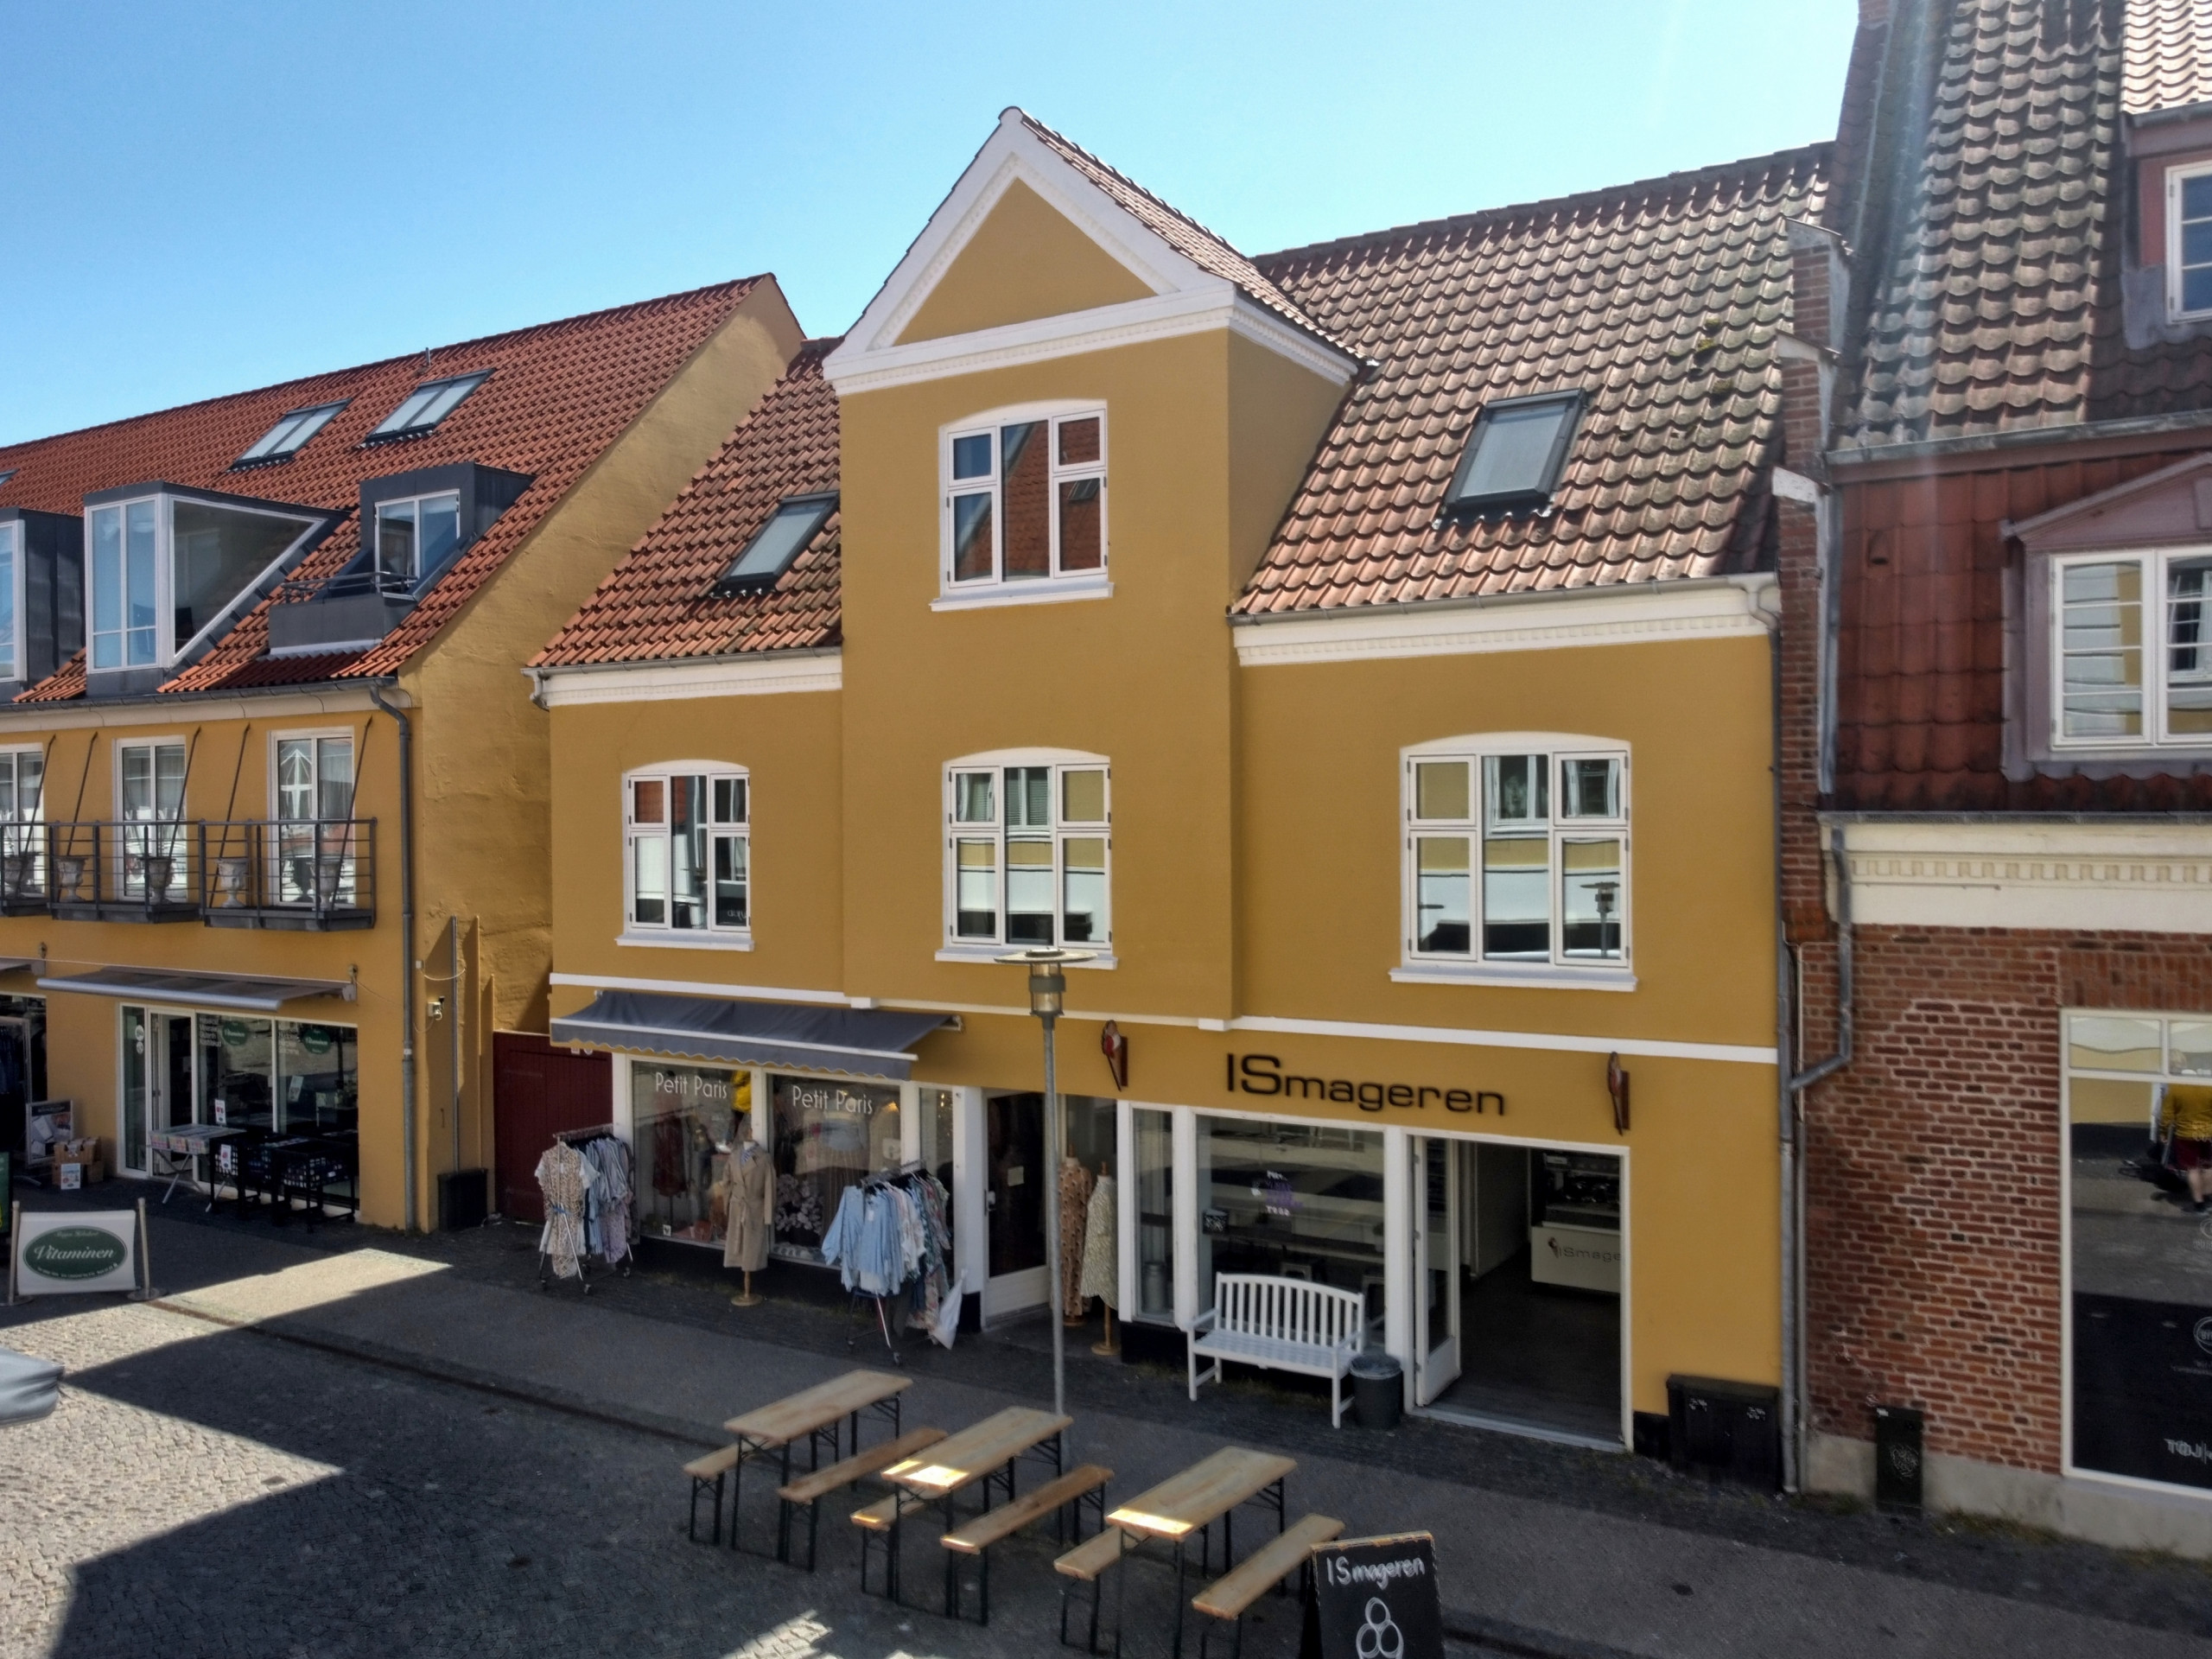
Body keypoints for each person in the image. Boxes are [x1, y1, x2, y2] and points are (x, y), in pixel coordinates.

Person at [2159, 1080, 2212, 1212]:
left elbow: (2167, 1114)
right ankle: (2208, 1198)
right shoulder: (2209, 1087)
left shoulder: (2175, 1088)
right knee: (2207, 1166)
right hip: (2207, 1133)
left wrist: (2163, 1131)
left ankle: (2199, 1203)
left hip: (2186, 1134)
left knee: (2192, 1168)